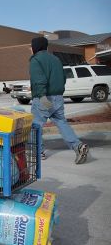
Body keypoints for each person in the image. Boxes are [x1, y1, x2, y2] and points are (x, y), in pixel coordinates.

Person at [29, 36, 89, 164]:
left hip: (44, 97)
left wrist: (42, 97)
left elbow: (39, 81)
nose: (30, 49)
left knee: (36, 125)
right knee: (61, 122)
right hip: (58, 97)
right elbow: (63, 78)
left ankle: (38, 152)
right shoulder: (56, 59)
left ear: (35, 47)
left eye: (31, 46)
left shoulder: (36, 60)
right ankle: (78, 146)